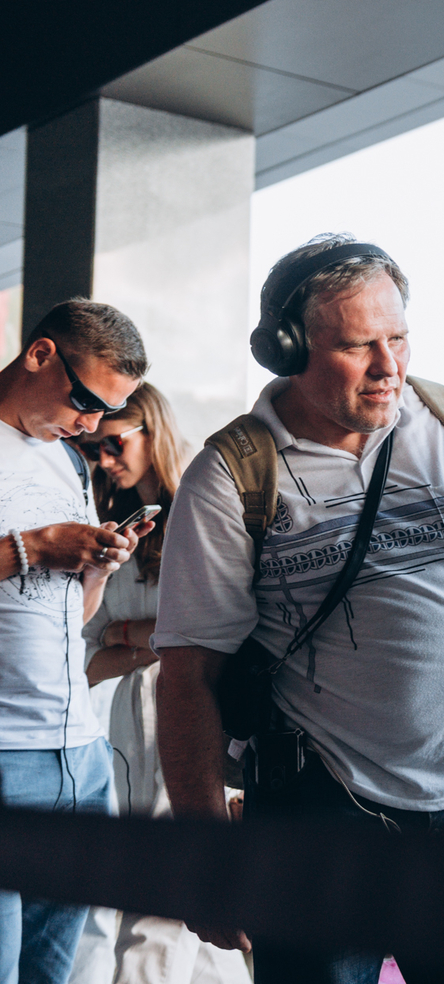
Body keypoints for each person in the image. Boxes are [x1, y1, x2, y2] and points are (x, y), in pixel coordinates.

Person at [153, 234, 444, 983]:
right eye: (359, 346)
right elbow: (189, 673)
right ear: (288, 349)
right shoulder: (232, 475)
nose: (390, 367)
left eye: (399, 339)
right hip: (322, 813)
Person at [73, 384, 251, 984]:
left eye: (115, 444)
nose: (105, 460)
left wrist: (130, 635)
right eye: (95, 449)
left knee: (169, 883)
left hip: (185, 710)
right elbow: (87, 647)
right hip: (115, 718)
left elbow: (219, 632)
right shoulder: (109, 524)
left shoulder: (202, 515)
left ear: (153, 430)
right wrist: (140, 636)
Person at [0, 299, 154, 984]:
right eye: (87, 400)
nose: (92, 425)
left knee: (57, 974)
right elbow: (32, 558)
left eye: (107, 412)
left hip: (79, 753)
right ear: (40, 355)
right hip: (5, 753)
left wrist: (94, 566)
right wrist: (31, 548)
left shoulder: (67, 462)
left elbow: (74, 609)